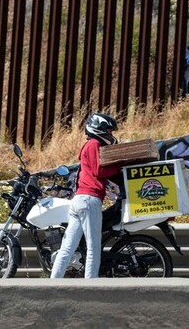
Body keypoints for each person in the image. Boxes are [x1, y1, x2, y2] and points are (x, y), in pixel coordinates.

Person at [51, 113, 121, 279]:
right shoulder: (94, 144)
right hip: (90, 200)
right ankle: (90, 286)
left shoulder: (89, 145)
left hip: (79, 200)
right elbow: (99, 171)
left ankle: (53, 283)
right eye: (108, 130)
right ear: (98, 128)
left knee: (67, 248)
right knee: (93, 247)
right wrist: (119, 166)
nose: (110, 134)